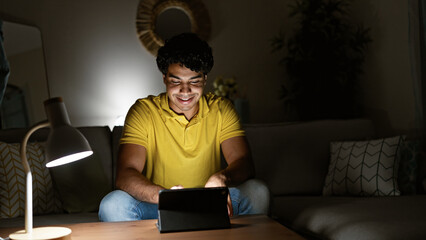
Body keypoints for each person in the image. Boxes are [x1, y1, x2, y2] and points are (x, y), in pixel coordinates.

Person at [98, 33, 263, 222]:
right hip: (158, 205)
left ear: (205, 78)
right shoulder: (143, 111)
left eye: (194, 81)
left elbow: (244, 162)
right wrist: (165, 196)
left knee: (258, 192)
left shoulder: (221, 109)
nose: (185, 91)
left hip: (209, 202)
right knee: (112, 204)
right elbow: (125, 174)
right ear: (164, 78)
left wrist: (221, 179)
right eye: (176, 81)